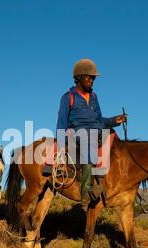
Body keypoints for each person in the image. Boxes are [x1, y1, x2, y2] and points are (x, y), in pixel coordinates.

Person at [56, 58, 127, 206]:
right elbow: (61, 124)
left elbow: (100, 120)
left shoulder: (94, 97)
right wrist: (61, 150)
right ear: (79, 78)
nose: (92, 80)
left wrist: (115, 120)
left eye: (93, 78)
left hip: (96, 131)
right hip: (78, 134)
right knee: (88, 139)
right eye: (89, 77)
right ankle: (85, 193)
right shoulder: (68, 98)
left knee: (114, 137)